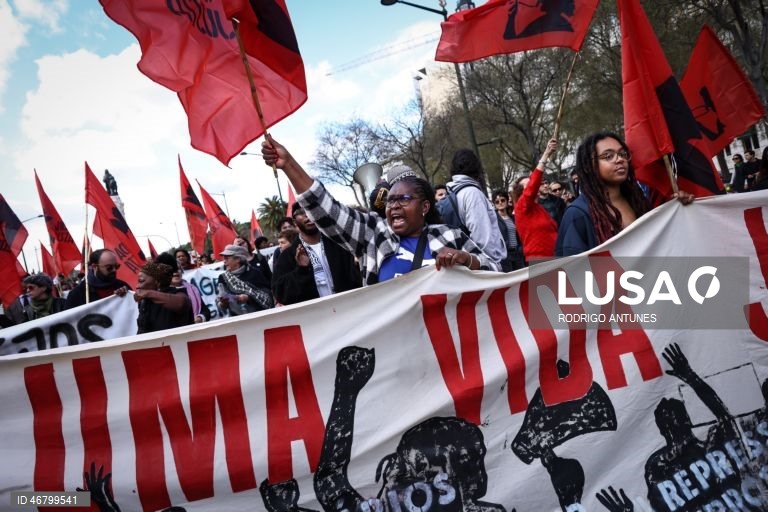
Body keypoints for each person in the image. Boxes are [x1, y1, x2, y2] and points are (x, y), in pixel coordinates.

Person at [261, 137, 499, 286]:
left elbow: (496, 271)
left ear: (425, 207)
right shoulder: (373, 235)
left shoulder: (450, 236)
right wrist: (289, 165)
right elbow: (327, 210)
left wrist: (467, 260)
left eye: (404, 199)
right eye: (390, 201)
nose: (393, 206)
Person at [555, 132, 694, 257]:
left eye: (622, 154)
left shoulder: (639, 201)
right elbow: (572, 269)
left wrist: (679, 208)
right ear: (588, 166)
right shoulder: (577, 214)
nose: (619, 159)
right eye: (608, 156)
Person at [273, 202, 362, 305]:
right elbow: (281, 294)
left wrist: (357, 264)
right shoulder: (288, 256)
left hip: (349, 308)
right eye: (301, 212)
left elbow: (359, 280)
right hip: (316, 314)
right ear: (294, 221)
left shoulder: (341, 245)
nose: (308, 214)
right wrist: (301, 270)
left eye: (311, 209)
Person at [444, 149, 507, 266]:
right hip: (486, 266)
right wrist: (493, 266)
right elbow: (482, 238)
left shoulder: (455, 192)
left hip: (471, 264)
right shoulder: (472, 193)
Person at [514, 139, 560, 263]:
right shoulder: (521, 207)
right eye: (528, 185)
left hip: (555, 258)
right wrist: (546, 154)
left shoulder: (537, 208)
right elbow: (534, 183)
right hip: (541, 262)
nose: (534, 186)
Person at [134, 261, 193, 334]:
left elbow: (181, 303)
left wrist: (148, 293)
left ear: (157, 282)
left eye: (141, 281)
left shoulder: (177, 294)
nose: (137, 286)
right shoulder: (145, 302)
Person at [216, 244, 274, 316]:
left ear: (238, 259)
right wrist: (223, 303)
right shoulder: (223, 278)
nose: (224, 262)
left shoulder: (254, 273)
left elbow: (267, 294)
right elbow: (220, 301)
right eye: (224, 259)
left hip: (258, 315)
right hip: (236, 319)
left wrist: (248, 297)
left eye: (227, 258)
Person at [65, 249, 130, 309]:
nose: (114, 270)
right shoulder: (77, 294)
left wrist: (127, 296)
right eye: (109, 267)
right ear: (94, 267)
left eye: (116, 266)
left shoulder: (122, 286)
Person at [157, 252, 210, 324]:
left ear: (182, 271)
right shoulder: (161, 294)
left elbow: (206, 311)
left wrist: (200, 318)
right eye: (172, 270)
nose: (176, 272)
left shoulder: (192, 289)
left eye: (178, 269)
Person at [492, 190, 525, 272]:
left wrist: (521, 248)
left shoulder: (513, 217)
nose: (500, 203)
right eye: (497, 202)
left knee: (523, 276)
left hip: (517, 253)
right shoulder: (493, 220)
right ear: (494, 204)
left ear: (507, 201)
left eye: (502, 200)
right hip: (505, 256)